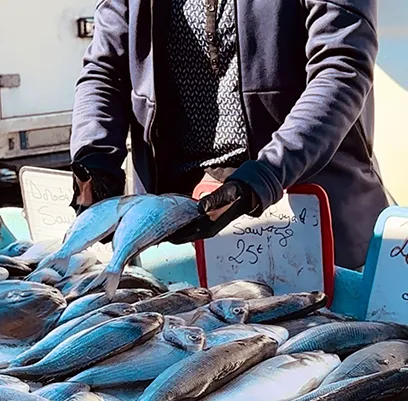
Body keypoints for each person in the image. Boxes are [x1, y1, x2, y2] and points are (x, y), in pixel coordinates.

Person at [70, 0, 388, 270]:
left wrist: (263, 178)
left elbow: (341, 67)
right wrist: (94, 161)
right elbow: (105, 69)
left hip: (302, 218)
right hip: (173, 235)